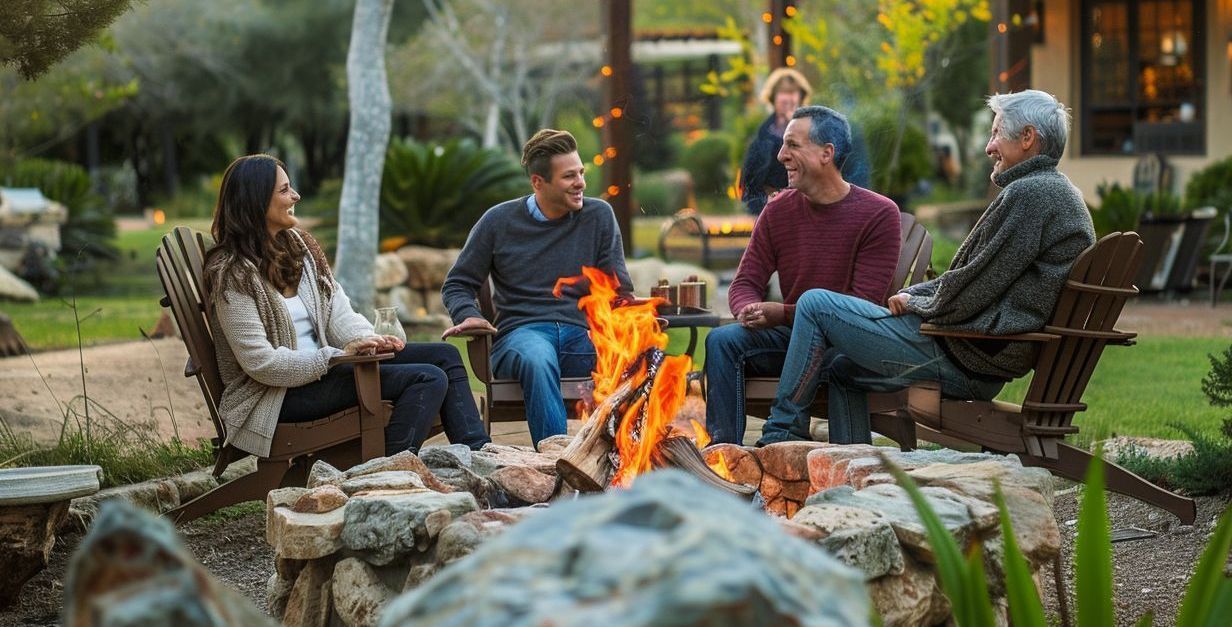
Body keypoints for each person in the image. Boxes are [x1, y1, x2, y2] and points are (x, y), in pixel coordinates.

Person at [758, 89, 1095, 446]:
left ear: (1027, 138)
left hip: (966, 357)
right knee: (843, 369)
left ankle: (780, 435)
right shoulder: (1053, 191)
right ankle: (853, 465)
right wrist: (914, 294)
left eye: (996, 133)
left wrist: (916, 301)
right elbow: (979, 277)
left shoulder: (1033, 195)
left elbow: (977, 285)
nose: (989, 147)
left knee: (815, 306)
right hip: (975, 351)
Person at [203, 154, 490, 458]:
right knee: (428, 378)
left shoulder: (297, 248)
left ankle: (478, 454)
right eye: (285, 190)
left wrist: (367, 341)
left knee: (445, 356)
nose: (295, 196)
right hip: (277, 396)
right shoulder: (232, 274)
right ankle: (387, 471)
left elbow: (337, 310)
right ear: (256, 200)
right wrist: (335, 357)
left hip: (328, 370)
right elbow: (262, 364)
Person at [705, 105, 901, 445]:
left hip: (845, 346)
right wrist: (748, 308)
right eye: (783, 145)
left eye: (793, 145)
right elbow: (746, 281)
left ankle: (816, 448)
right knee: (722, 341)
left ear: (827, 153)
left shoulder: (879, 214)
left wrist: (781, 313)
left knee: (841, 359)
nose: (781, 155)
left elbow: (861, 305)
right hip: (789, 338)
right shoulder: (778, 210)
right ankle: (724, 454)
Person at [441, 129, 634, 447]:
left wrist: (633, 309)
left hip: (582, 337)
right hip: (521, 336)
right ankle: (554, 463)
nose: (581, 183)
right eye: (569, 176)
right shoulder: (498, 221)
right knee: (538, 358)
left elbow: (618, 289)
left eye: (581, 173)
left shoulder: (599, 215)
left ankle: (626, 465)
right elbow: (458, 283)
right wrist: (468, 313)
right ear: (538, 182)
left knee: (639, 359)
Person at [740, 68, 872, 215]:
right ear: (773, 98)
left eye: (792, 93)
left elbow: (844, 173)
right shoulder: (760, 140)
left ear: (801, 98)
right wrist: (768, 206)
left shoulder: (823, 133)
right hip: (773, 214)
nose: (788, 99)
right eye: (783, 93)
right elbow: (750, 188)